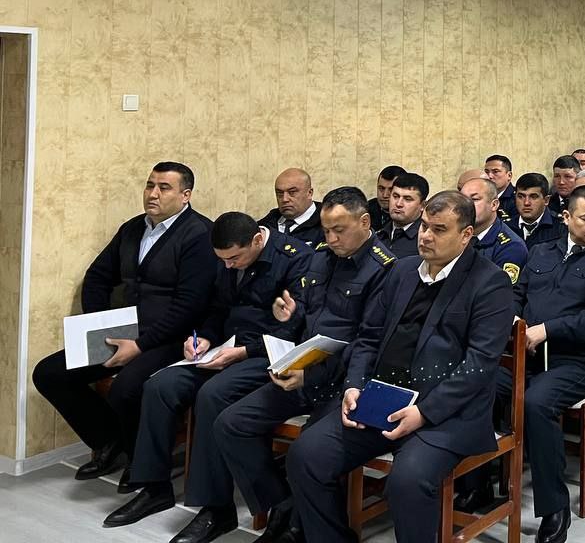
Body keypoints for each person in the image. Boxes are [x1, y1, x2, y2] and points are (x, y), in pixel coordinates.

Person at [286, 191, 515, 543]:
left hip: (443, 413)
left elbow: (479, 365)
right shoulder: (402, 270)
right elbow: (369, 337)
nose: (426, 236)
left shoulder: (490, 282)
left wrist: (424, 412)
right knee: (306, 455)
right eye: (424, 226)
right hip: (381, 399)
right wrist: (353, 385)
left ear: (466, 235)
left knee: (407, 483)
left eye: (439, 229)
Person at [105, 212, 313, 536]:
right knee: (160, 385)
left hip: (266, 353)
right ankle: (154, 487)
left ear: (257, 240)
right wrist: (202, 338)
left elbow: (293, 329)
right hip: (223, 348)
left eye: (234, 259)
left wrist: (243, 351)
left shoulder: (296, 258)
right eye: (223, 260)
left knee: (212, 394)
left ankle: (217, 509)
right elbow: (217, 308)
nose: (228, 265)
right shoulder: (227, 258)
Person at [215, 187, 395, 543]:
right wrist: (289, 320)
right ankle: (282, 506)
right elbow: (308, 315)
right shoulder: (321, 258)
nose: (331, 238)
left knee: (308, 452)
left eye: (339, 230)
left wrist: (309, 374)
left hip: (345, 382)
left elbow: (369, 343)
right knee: (231, 424)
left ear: (364, 222)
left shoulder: (384, 270)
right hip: (304, 369)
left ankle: (307, 530)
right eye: (326, 230)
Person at [32, 162, 217, 482]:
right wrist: (100, 325)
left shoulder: (200, 234)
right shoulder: (132, 228)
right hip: (124, 332)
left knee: (125, 389)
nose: (153, 194)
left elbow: (190, 306)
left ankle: (139, 459)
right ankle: (109, 441)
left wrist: (140, 345)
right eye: (150, 185)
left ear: (185, 195)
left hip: (171, 339)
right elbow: (97, 277)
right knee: (50, 374)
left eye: (164, 187)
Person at [503, 184, 585, 543]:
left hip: (575, 361)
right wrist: (515, 319)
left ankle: (554, 507)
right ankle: (475, 485)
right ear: (566, 217)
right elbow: (516, 293)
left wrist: (547, 330)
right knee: (476, 383)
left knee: (535, 403)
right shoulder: (542, 251)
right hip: (527, 356)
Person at [461, 176, 528, 283]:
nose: (466, 205)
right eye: (462, 200)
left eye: (475, 199)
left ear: (494, 205)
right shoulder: (455, 234)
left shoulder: (511, 247)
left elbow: (499, 289)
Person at [259, 168, 324, 247]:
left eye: (292, 192)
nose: (284, 199)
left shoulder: (326, 224)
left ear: (309, 193)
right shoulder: (266, 225)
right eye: (280, 193)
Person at [380, 172, 428, 258]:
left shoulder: (426, 241)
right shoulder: (379, 234)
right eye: (395, 196)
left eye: (407, 199)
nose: (398, 204)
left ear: (422, 205)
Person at [513, 171, 568, 248]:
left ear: (546, 200)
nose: (526, 203)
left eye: (533, 197)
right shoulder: (507, 227)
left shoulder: (561, 228)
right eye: (521, 196)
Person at [367, 165, 405, 235]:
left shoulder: (409, 213)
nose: (385, 195)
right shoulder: (366, 209)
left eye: (391, 189)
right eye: (381, 188)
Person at [484, 154, 517, 223]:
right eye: (486, 172)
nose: (489, 176)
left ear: (509, 175)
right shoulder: (483, 196)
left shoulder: (517, 198)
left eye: (495, 171)